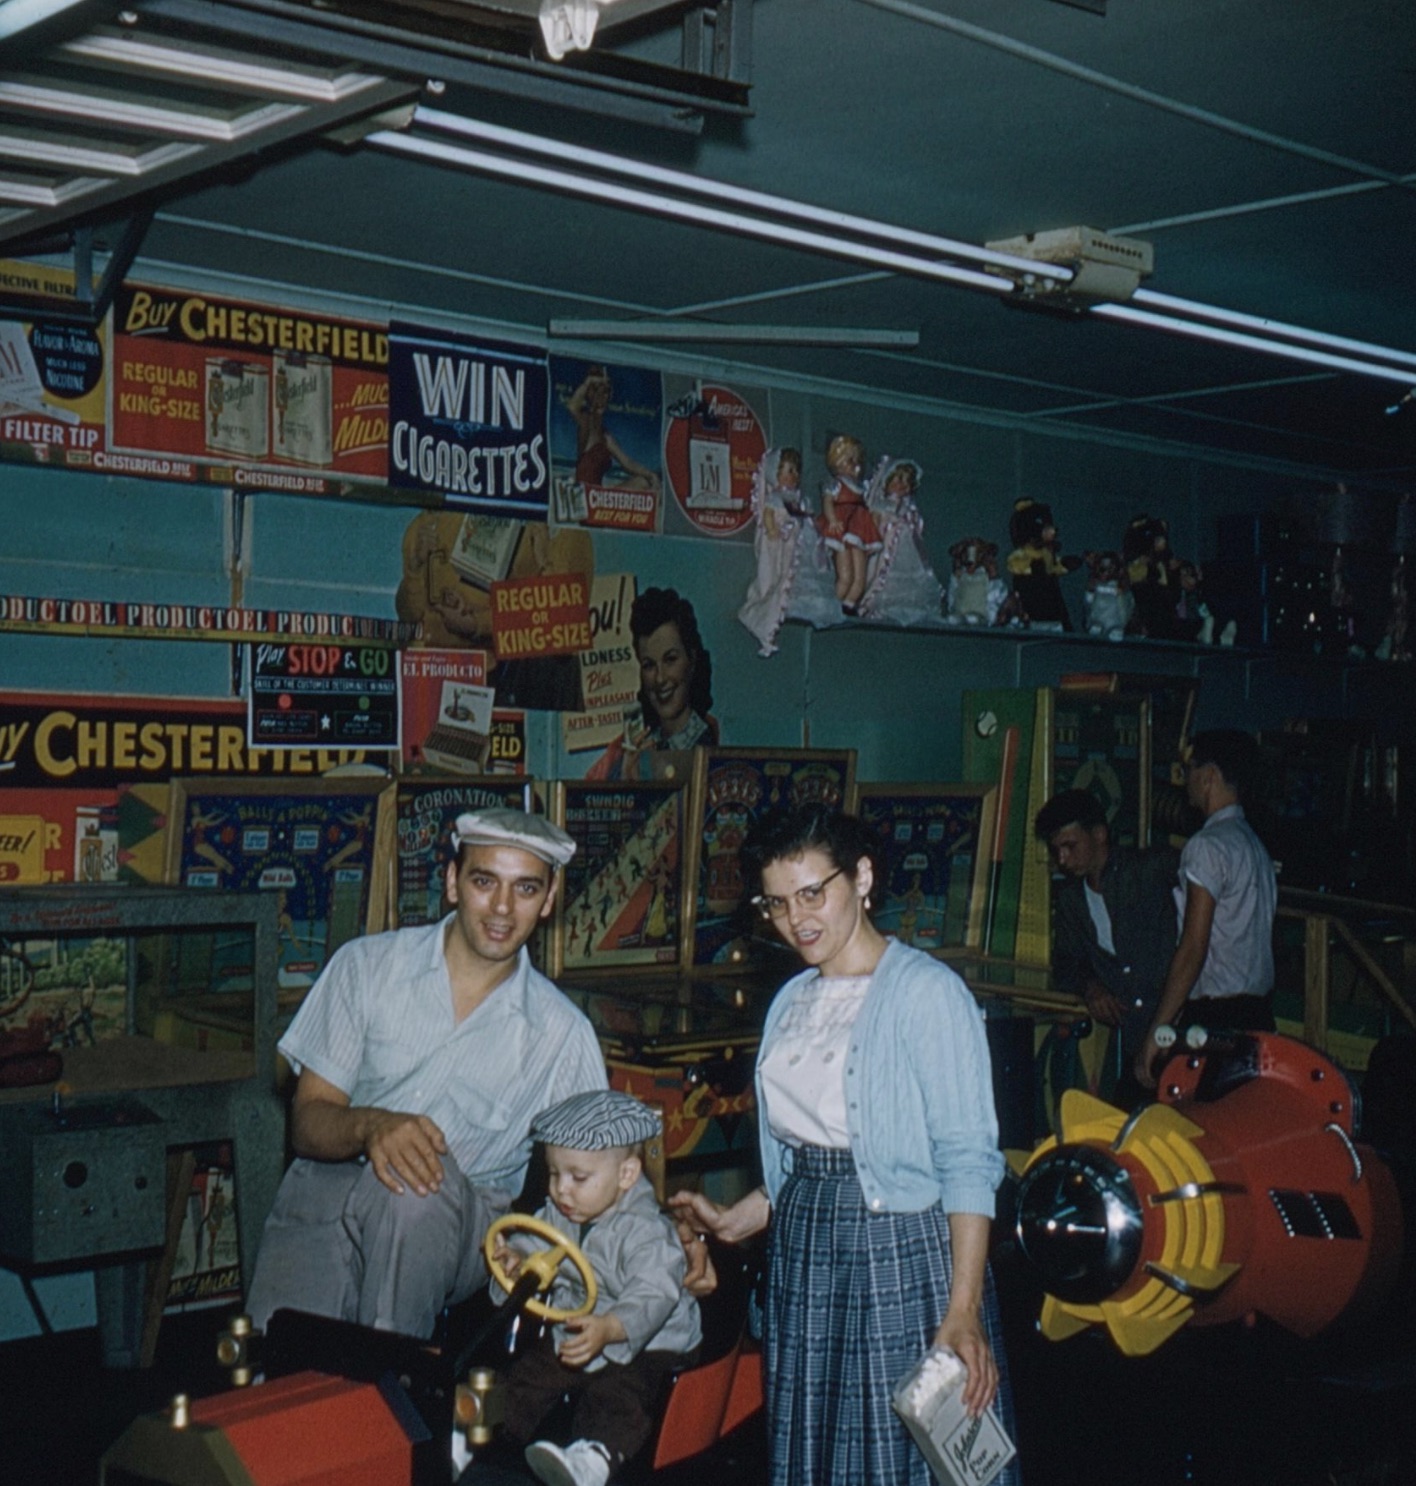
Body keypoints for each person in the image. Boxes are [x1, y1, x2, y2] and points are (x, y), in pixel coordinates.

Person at [670, 806, 1018, 1486]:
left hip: (897, 1248)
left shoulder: (926, 993)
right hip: (806, 1247)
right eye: (776, 903)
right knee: (817, 1448)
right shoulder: (792, 997)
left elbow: (969, 1161)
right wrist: (746, 1214)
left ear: (861, 877)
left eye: (812, 893)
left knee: (908, 1450)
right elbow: (812, 1153)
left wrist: (964, 1309)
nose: (796, 919)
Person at [245, 808, 608, 1338]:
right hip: (328, 1186)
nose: (503, 908)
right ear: (452, 882)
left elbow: (597, 1176)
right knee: (280, 1371)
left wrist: (659, 1246)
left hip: (454, 1225)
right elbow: (307, 1124)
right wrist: (373, 1126)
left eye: (526, 888)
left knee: (413, 1189)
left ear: (549, 900)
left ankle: (392, 1385)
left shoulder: (562, 1034)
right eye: (485, 881)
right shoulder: (365, 968)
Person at [492, 1090, 703, 1486]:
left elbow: (653, 1294)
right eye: (554, 1174)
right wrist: (516, 1261)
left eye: (578, 1177)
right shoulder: (559, 1214)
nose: (561, 1190)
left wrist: (610, 1327)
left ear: (626, 1175)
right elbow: (535, 1243)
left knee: (619, 1389)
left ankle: (594, 1457)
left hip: (651, 1339)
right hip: (579, 1324)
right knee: (528, 1375)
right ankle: (476, 1436)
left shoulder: (647, 1232)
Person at [1133, 729, 1278, 1089]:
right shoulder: (1253, 845)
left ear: (1209, 776)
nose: (1186, 783)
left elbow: (1194, 947)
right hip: (1258, 1014)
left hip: (1215, 1019)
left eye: (1190, 771)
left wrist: (1159, 1030)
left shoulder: (1206, 847)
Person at [1034, 788, 1179, 1109]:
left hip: (1178, 1033)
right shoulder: (1072, 899)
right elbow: (1067, 962)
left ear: (1099, 834)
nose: (1063, 859)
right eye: (1056, 850)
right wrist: (1091, 987)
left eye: (1070, 846)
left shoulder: (1149, 871)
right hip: (1133, 1044)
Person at [587, 587, 719, 781]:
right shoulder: (628, 752)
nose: (659, 678)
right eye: (649, 665)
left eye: (670, 659)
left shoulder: (711, 747)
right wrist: (627, 782)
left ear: (691, 660)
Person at [738, 446, 808, 658]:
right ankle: (764, 606)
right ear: (775, 475)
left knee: (788, 571)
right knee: (771, 572)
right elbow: (769, 514)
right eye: (788, 470)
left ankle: (785, 593)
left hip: (790, 544)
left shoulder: (795, 498)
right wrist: (772, 529)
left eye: (796, 471)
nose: (793, 475)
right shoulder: (776, 497)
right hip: (775, 542)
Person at [815, 433, 882, 615]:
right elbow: (828, 502)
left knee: (860, 577)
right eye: (848, 459)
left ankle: (849, 605)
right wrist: (832, 519)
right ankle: (832, 606)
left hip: (859, 527)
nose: (853, 463)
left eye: (855, 459)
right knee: (845, 576)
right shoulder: (835, 483)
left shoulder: (860, 486)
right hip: (843, 528)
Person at [567, 366, 661, 491]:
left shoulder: (606, 437)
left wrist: (651, 475)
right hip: (584, 495)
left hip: (599, 495)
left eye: (605, 395)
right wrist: (589, 381)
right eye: (598, 396)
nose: (602, 400)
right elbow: (572, 407)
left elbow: (627, 463)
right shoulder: (586, 425)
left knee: (642, 482)